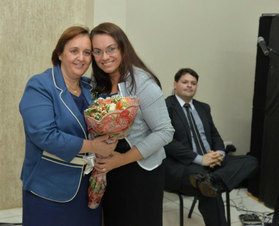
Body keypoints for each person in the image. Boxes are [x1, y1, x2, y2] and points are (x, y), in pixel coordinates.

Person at [19, 26, 118, 226]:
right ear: (60, 54)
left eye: (87, 52)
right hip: (50, 189)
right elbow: (45, 136)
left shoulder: (91, 87)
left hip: (89, 188)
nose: (81, 58)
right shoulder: (40, 85)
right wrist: (93, 147)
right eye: (74, 51)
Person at [90, 22, 174, 226]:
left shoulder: (142, 82)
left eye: (111, 49)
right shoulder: (96, 82)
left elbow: (165, 131)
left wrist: (122, 159)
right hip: (110, 168)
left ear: (122, 48)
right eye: (97, 51)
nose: (105, 57)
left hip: (139, 170)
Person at [164, 68, 258, 226]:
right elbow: (167, 141)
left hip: (212, 161)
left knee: (251, 161)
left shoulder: (203, 107)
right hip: (185, 165)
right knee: (209, 192)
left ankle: (212, 180)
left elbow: (215, 135)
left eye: (193, 83)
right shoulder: (166, 106)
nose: (189, 86)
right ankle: (208, 183)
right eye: (185, 82)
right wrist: (201, 159)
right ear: (175, 84)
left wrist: (219, 154)